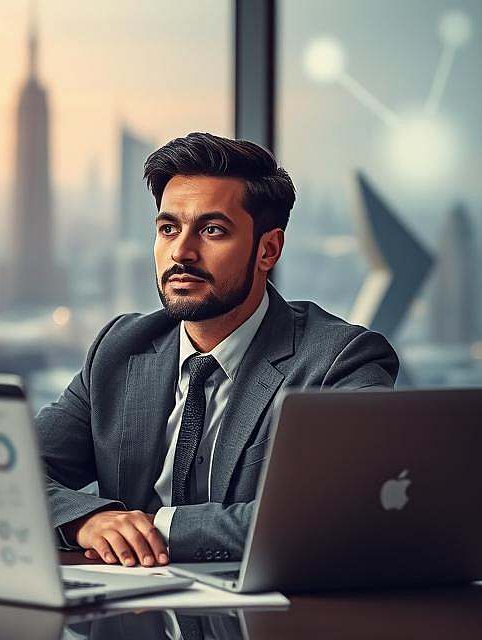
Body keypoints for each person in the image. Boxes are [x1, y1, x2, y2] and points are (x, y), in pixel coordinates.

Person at [36, 132, 399, 567]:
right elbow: (17, 476)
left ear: (268, 250)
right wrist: (87, 521)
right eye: (168, 229)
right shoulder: (119, 349)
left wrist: (156, 528)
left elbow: (339, 510)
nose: (182, 252)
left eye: (212, 230)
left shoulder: (341, 361)